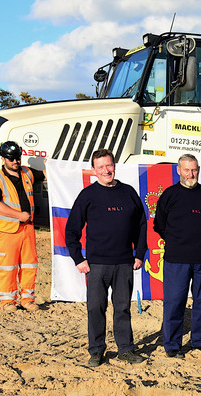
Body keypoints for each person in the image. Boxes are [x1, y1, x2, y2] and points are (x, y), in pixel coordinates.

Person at [65, 149, 148, 367]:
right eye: (100, 167)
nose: (106, 170)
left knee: (122, 308)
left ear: (114, 165)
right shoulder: (88, 195)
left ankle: (126, 349)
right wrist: (78, 259)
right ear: (94, 170)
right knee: (95, 308)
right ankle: (96, 350)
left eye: (108, 165)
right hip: (96, 265)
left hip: (124, 263)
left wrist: (139, 254)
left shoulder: (128, 192)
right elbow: (71, 230)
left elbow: (141, 225)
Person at [153, 154, 201, 358]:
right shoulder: (170, 194)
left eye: (195, 169)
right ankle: (172, 345)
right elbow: (159, 225)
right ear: (178, 170)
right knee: (174, 302)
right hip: (177, 259)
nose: (191, 174)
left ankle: (200, 340)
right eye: (187, 170)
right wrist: (176, 242)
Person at [0, 140, 44, 312]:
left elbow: (48, 174)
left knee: (29, 265)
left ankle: (27, 299)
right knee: (8, 266)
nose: (15, 162)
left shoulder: (27, 172)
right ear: (3, 159)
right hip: (7, 230)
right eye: (11, 159)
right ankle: (7, 301)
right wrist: (19, 215)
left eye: (18, 158)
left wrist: (55, 165)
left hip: (27, 228)